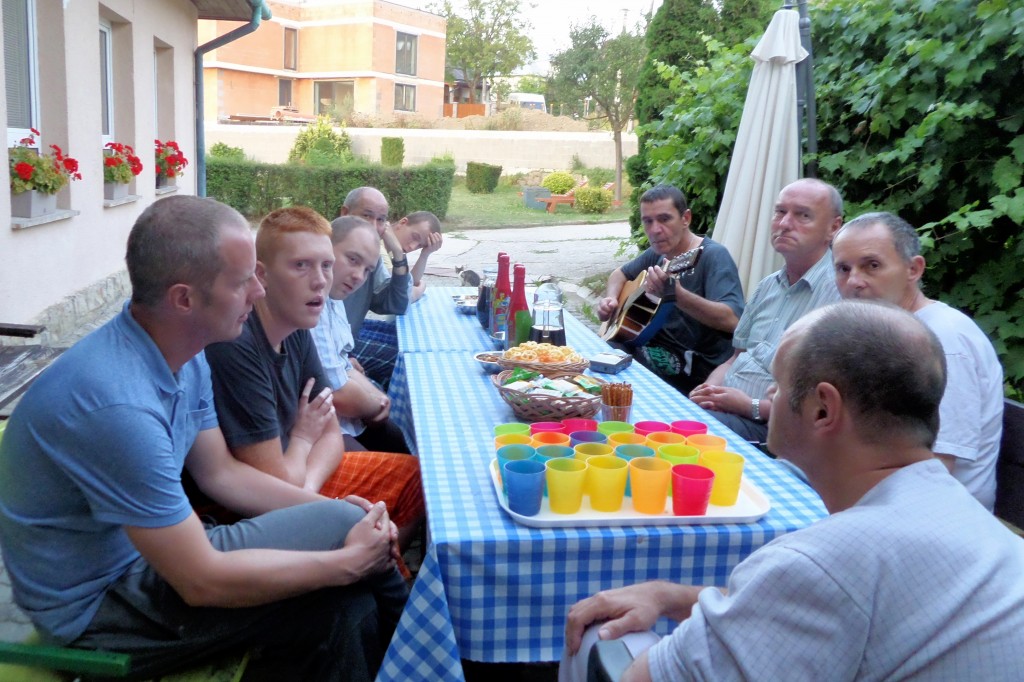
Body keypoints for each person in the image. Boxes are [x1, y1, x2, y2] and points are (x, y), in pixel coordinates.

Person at [0, 196, 407, 681]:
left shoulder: (184, 352)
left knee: (348, 567)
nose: (259, 291)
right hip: (101, 607)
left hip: (158, 559)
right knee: (345, 582)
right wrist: (347, 563)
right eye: (242, 281)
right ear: (184, 299)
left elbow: (221, 474)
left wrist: (332, 517)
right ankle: (421, 650)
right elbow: (200, 582)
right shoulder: (117, 407)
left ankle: (412, 652)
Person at [562, 300, 1024, 682]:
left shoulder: (818, 561)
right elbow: (818, 608)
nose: (769, 395)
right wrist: (670, 596)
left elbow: (644, 678)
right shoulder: (964, 517)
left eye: (779, 386)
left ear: (823, 409)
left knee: (601, 638)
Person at [204, 206, 424, 553]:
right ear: (261, 275)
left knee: (416, 478)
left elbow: (332, 432)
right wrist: (304, 439)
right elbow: (272, 479)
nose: (321, 280)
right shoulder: (238, 344)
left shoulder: (297, 326)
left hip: (299, 475)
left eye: (326, 265)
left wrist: (307, 492)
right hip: (246, 508)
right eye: (301, 265)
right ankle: (371, 565)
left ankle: (382, 562)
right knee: (366, 519)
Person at [832, 211, 1004, 510]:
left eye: (872, 265)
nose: (854, 281)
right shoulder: (888, 331)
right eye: (843, 269)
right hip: (886, 498)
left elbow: (936, 468)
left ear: (913, 269)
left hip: (940, 516)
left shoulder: (943, 341)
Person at [689, 178, 843, 443]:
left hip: (775, 433)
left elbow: (824, 408)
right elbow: (735, 358)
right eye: (780, 212)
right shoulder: (767, 286)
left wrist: (749, 406)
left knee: (682, 436)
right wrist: (709, 390)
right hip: (726, 411)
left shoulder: (840, 298)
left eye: (803, 215)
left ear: (833, 228)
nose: (784, 223)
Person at [596, 185, 745, 394]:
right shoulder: (657, 253)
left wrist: (677, 295)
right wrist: (611, 300)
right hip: (646, 348)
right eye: (648, 221)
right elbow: (619, 274)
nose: (655, 229)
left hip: (691, 371)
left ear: (686, 218)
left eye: (664, 219)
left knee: (607, 367)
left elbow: (734, 321)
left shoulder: (713, 256)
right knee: (596, 359)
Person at [311, 215, 411, 453]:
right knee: (401, 465)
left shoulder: (335, 299)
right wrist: (377, 404)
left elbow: (343, 362)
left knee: (396, 437)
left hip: (343, 420)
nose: (359, 276)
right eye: (353, 260)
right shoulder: (312, 306)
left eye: (367, 270)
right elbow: (337, 393)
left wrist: (379, 398)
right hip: (319, 431)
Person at [340, 187, 443, 388]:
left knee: (407, 345)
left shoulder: (372, 254)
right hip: (335, 347)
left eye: (380, 219)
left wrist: (399, 254)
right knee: (409, 364)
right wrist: (343, 358)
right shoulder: (327, 253)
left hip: (348, 336)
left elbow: (396, 303)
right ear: (345, 213)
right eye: (366, 216)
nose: (373, 226)